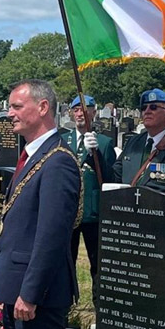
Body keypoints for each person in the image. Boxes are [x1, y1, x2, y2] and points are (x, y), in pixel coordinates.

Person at [0, 79, 82, 329]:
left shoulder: (57, 161)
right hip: (17, 287)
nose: (10, 113)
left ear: (43, 107)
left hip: (37, 295)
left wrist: (30, 294)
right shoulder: (33, 155)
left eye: (17, 106)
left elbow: (51, 237)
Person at [66, 95, 116, 306]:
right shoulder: (63, 139)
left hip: (93, 211)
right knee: (66, 261)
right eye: (77, 110)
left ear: (94, 112)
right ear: (71, 113)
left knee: (98, 262)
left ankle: (100, 306)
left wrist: (95, 154)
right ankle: (66, 303)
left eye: (85, 110)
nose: (81, 114)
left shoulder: (104, 143)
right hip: (69, 211)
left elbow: (110, 178)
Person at [113, 88, 165, 199]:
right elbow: (114, 177)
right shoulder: (133, 142)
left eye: (153, 107)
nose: (147, 111)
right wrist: (95, 153)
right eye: (144, 108)